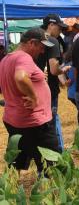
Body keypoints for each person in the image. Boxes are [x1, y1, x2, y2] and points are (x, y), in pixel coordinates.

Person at [0, 28, 60, 174]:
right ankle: (50, 192)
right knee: (52, 165)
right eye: (41, 47)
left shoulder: (7, 58)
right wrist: (33, 97)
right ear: (32, 43)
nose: (42, 51)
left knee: (18, 160)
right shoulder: (23, 58)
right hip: (35, 123)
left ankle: (11, 191)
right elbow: (21, 77)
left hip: (15, 119)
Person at [36, 14, 70, 151]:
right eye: (59, 28)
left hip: (33, 89)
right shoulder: (52, 41)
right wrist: (64, 70)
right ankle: (58, 153)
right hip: (48, 90)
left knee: (39, 123)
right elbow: (54, 70)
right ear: (50, 25)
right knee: (52, 121)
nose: (60, 31)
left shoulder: (32, 40)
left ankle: (42, 154)